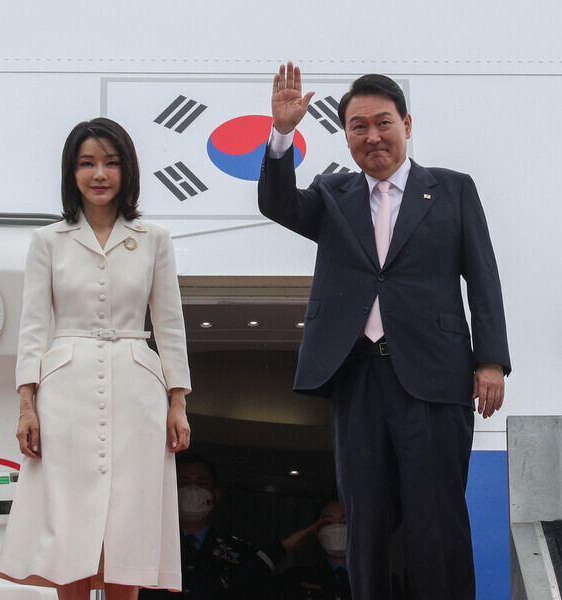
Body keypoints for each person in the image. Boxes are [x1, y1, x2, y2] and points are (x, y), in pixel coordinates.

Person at [258, 63, 512, 599]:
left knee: (436, 519)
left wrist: (489, 361)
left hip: (435, 378)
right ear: (346, 135)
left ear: (407, 124)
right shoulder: (332, 193)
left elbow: (483, 278)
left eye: (383, 122)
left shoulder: (452, 189)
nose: (372, 136)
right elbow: (277, 204)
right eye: (358, 126)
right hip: (358, 377)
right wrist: (282, 133)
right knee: (365, 520)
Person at [0, 118, 192, 600]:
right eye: (87, 163)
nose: (99, 174)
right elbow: (33, 327)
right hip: (65, 390)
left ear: (128, 170)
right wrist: (26, 405)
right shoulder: (48, 240)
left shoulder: (154, 238)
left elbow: (169, 324)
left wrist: (178, 402)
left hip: (138, 389)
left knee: (130, 522)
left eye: (111, 162)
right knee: (68, 519)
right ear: (72, 172)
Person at [140, 452, 320, 600]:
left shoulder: (239, 552)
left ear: (216, 496)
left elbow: (251, 587)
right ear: (170, 491)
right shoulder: (148, 548)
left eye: (201, 484)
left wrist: (281, 548)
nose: (192, 491)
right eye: (184, 484)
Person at [275, 499, 403, 600]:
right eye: (328, 523)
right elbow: (261, 586)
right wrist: (284, 546)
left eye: (345, 522)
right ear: (316, 531)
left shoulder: (385, 581)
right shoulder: (296, 578)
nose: (337, 529)